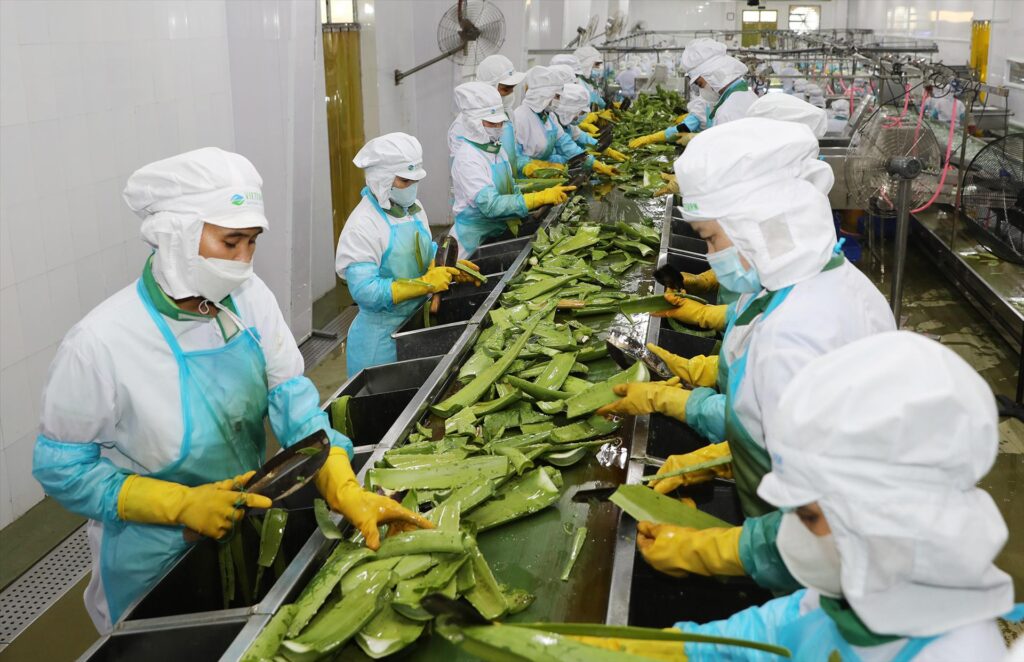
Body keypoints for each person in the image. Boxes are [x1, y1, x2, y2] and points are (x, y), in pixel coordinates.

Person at [32, 148, 432, 632]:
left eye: (252, 243)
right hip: (152, 558)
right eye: (230, 242)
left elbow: (291, 396)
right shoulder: (101, 343)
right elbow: (62, 469)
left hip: (241, 518)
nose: (243, 261)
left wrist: (339, 479)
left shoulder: (247, 298)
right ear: (176, 236)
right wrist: (178, 505)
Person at [598, 118, 895, 592]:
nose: (711, 254)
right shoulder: (829, 283)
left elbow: (826, 525)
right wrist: (715, 456)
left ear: (757, 228)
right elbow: (785, 434)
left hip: (820, 577)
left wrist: (714, 548)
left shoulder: (793, 335)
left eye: (712, 238)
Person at [665, 331, 1019, 660]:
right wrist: (686, 649)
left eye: (808, 517)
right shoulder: (864, 579)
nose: (789, 535)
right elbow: (783, 625)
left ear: (877, 518)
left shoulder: (954, 653)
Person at [336, 133, 480, 378]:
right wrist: (424, 284)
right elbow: (365, 291)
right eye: (405, 181)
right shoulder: (363, 225)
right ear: (383, 180)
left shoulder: (412, 209)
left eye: (415, 181)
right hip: (381, 342)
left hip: (413, 326)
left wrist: (451, 268)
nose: (412, 188)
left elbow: (426, 252)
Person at [450, 82, 575, 257]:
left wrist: (532, 202)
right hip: (472, 244)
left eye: (500, 123)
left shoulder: (496, 150)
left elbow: (511, 188)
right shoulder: (468, 158)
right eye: (492, 124)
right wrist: (536, 198)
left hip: (496, 233)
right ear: (475, 123)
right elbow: (491, 206)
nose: (498, 128)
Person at [629, 38, 757, 148]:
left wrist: (695, 139)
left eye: (700, 84)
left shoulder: (727, 111)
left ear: (714, 76)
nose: (701, 90)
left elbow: (724, 152)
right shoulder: (743, 95)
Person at [512, 66, 617, 178]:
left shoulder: (549, 116)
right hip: (527, 178)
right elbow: (514, 157)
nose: (559, 101)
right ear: (544, 95)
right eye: (557, 96)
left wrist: (593, 163)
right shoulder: (520, 117)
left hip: (547, 175)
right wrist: (531, 166)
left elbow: (565, 143)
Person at [447, 53, 526, 166]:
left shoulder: (508, 113)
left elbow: (510, 153)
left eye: (512, 88)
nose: (511, 94)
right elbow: (462, 166)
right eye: (506, 89)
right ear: (490, 87)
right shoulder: (464, 124)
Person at [573, 44, 607, 108]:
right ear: (586, 64)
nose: (599, 68)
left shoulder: (588, 82)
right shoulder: (576, 83)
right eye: (597, 64)